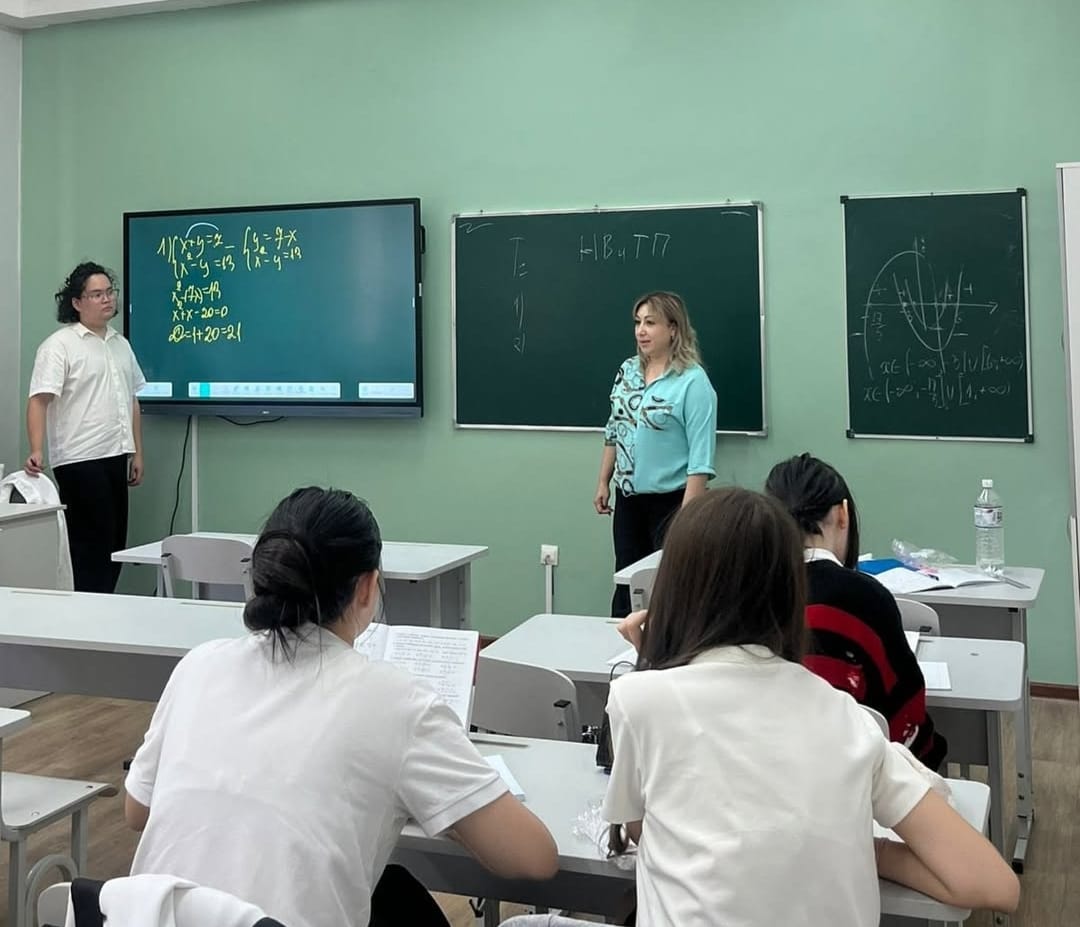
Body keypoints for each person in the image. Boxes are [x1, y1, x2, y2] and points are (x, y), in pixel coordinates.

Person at [572, 489, 1016, 926]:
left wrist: (655, 662)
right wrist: (867, 848)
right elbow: (994, 885)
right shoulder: (850, 720)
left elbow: (641, 829)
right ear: (792, 594)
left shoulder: (639, 700)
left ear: (672, 590)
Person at [123, 487, 558, 927]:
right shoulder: (396, 702)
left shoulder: (200, 664)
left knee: (394, 892)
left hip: (147, 918)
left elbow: (137, 810)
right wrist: (443, 810)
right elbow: (534, 857)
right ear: (367, 587)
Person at [765, 453, 947, 769]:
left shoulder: (746, 590)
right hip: (857, 780)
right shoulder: (866, 598)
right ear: (842, 515)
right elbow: (906, 720)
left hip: (759, 774)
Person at [594, 291, 717, 617]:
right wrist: (604, 480)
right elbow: (614, 427)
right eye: (637, 323)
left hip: (672, 502)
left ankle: (668, 645)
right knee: (627, 582)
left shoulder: (693, 381)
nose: (641, 331)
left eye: (650, 323)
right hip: (628, 500)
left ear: (673, 329)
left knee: (671, 586)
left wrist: (687, 520)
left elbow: (701, 460)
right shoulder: (628, 370)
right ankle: (623, 643)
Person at [25, 261, 145, 593]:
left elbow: (132, 399)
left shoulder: (120, 344)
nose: (107, 299)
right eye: (97, 294)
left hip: (115, 453)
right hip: (79, 458)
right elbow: (39, 399)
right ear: (77, 302)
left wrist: (137, 452)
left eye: (109, 292)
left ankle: (104, 604)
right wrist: (36, 449)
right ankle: (87, 609)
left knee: (115, 543)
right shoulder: (59, 345)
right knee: (90, 546)